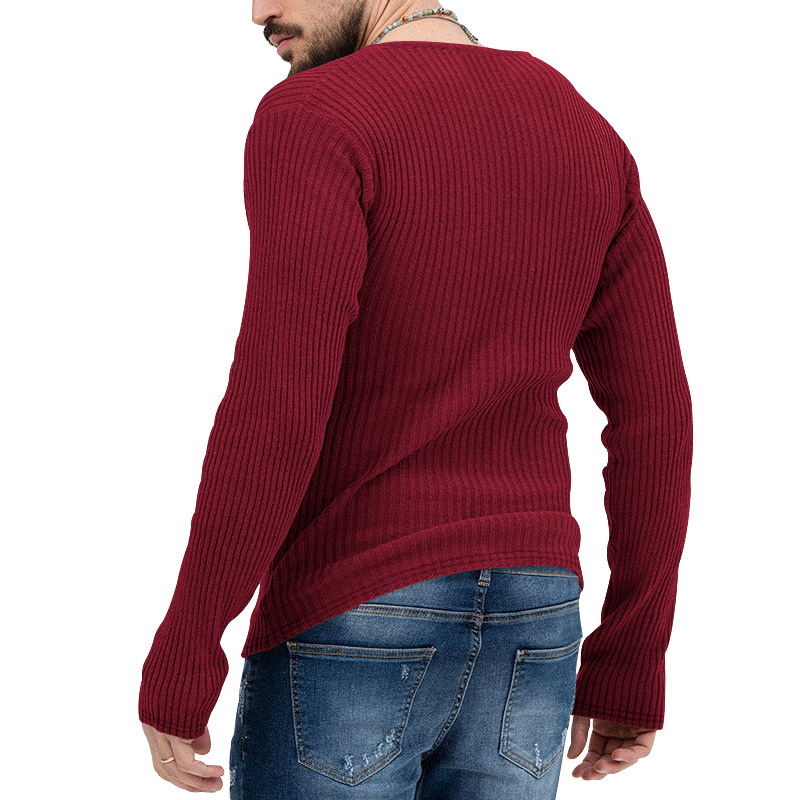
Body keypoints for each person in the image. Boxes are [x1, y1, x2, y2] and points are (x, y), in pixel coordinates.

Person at [138, 2, 693, 797]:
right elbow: (656, 415)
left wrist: (189, 646)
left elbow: (278, 397)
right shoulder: (579, 124)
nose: (259, 11)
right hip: (535, 621)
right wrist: (631, 658)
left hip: (357, 603)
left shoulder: (317, 114)